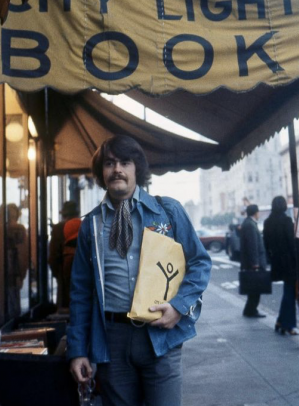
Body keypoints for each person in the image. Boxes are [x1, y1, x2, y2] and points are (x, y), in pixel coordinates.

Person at [67, 135, 211, 406]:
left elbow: (200, 263)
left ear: (137, 169)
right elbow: (80, 292)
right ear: (101, 172)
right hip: (112, 341)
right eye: (109, 163)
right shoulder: (91, 225)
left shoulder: (167, 211)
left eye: (125, 162)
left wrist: (178, 307)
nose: (117, 169)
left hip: (159, 336)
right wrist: (77, 350)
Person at [263, 196, 298, 335]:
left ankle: (281, 321)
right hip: (289, 261)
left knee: (288, 292)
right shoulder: (287, 221)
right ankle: (288, 325)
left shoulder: (267, 222)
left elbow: (265, 243)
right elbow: (291, 243)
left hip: (276, 262)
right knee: (290, 292)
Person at [49, 201, 80, 309]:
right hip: (83, 271)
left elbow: (53, 255)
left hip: (64, 270)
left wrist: (56, 274)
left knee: (66, 305)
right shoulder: (83, 225)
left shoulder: (58, 228)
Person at [240, 204, 267, 318]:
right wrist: (255, 263)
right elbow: (252, 246)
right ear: (255, 213)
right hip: (254, 263)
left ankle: (249, 309)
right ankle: (251, 310)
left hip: (250, 262)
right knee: (255, 288)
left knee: (253, 288)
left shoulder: (247, 223)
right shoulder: (250, 225)